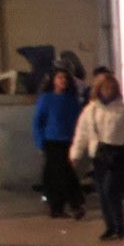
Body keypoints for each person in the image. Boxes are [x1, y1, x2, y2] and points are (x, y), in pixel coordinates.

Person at [70, 72, 124, 241]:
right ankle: (110, 226)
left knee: (111, 190)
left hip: (117, 154)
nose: (108, 91)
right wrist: (76, 153)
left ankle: (119, 226)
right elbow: (82, 132)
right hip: (99, 154)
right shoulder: (91, 110)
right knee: (102, 192)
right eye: (105, 88)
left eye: (111, 88)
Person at [33, 69, 86, 219]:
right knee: (55, 174)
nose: (62, 81)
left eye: (65, 78)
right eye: (59, 77)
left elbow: (78, 122)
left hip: (68, 141)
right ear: (53, 80)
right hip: (51, 141)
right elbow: (38, 121)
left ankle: (70, 204)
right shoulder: (46, 98)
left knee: (65, 173)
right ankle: (60, 206)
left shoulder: (72, 100)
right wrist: (39, 141)